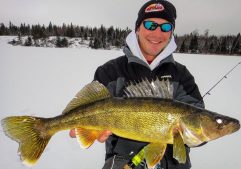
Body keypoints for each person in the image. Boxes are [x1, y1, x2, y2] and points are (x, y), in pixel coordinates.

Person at [70, 0, 205, 168]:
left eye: (165, 27)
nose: (157, 33)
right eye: (150, 24)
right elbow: (87, 107)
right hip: (123, 161)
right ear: (137, 29)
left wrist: (196, 136)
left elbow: (201, 129)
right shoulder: (110, 71)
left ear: (171, 33)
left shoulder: (182, 76)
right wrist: (83, 129)